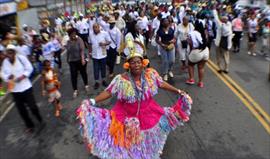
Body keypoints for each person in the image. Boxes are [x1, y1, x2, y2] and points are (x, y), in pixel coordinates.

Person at [76, 41, 192, 159]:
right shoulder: (121, 79)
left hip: (148, 112)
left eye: (138, 62)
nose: (136, 65)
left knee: (146, 138)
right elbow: (109, 91)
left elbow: (162, 84)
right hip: (126, 114)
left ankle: (145, 152)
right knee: (127, 139)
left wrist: (178, 91)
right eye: (133, 62)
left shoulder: (150, 75)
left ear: (143, 63)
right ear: (128, 65)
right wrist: (93, 101)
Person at [1, 44, 45, 133]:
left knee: (32, 106)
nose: (9, 55)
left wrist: (23, 76)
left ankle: (40, 120)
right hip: (15, 90)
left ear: (14, 53)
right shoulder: (5, 62)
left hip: (26, 87)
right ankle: (29, 125)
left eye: (11, 53)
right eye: (7, 53)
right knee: (21, 110)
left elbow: (29, 68)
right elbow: (2, 73)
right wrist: (7, 77)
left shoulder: (21, 58)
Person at [66, 28, 89, 98]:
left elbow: (82, 50)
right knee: (73, 75)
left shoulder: (79, 39)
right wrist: (67, 59)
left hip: (80, 59)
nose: (73, 35)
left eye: (74, 33)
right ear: (69, 35)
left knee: (83, 72)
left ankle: (86, 85)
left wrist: (82, 59)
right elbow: (68, 51)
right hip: (72, 61)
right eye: (72, 34)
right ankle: (75, 90)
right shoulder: (68, 42)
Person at [185, 23, 209, 88]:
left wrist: (190, 53)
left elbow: (190, 43)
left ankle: (191, 79)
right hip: (205, 51)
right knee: (201, 67)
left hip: (196, 51)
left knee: (190, 64)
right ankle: (200, 82)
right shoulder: (204, 33)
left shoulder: (192, 33)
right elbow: (207, 41)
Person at [88, 23, 111, 90]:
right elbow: (89, 44)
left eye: (96, 27)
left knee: (103, 68)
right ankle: (97, 82)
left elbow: (109, 41)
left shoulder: (104, 33)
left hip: (103, 54)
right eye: (94, 27)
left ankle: (103, 80)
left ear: (99, 27)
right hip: (95, 55)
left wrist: (104, 43)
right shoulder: (91, 34)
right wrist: (90, 52)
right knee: (95, 69)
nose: (95, 29)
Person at [213, 9, 233, 74]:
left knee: (222, 56)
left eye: (225, 19)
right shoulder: (226, 24)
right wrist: (229, 46)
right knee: (222, 56)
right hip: (222, 43)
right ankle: (223, 68)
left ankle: (223, 68)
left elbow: (216, 18)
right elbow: (216, 18)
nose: (224, 20)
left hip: (222, 43)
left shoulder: (222, 25)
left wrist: (214, 10)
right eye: (223, 19)